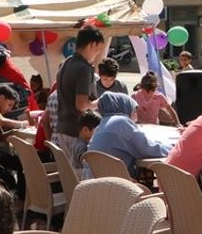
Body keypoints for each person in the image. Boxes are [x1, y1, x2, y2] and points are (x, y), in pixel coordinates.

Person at [54, 26, 106, 171]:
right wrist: (100, 102)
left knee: (69, 178)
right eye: (98, 49)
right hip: (77, 131)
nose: (97, 54)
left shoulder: (66, 63)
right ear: (92, 44)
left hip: (62, 128)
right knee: (80, 178)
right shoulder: (84, 68)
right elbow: (82, 105)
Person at [86, 92, 170, 177]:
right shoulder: (122, 122)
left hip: (93, 184)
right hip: (114, 185)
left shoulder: (101, 125)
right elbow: (148, 149)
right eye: (134, 110)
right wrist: (174, 148)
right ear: (126, 108)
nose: (136, 116)